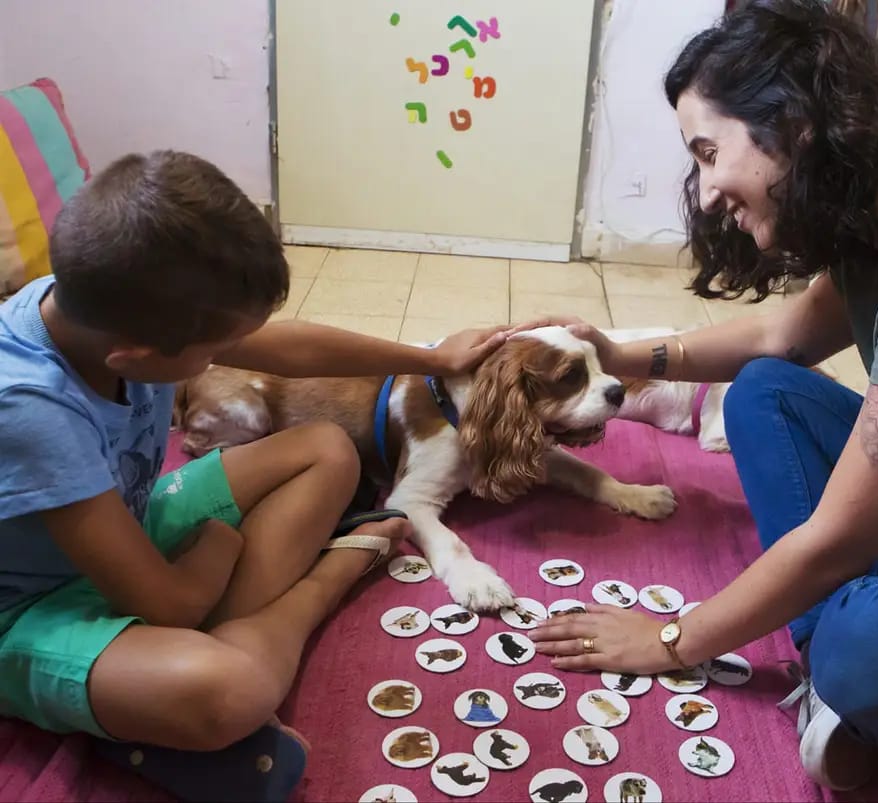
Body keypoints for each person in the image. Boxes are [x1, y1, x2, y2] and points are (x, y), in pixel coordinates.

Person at [527, 0, 878, 791]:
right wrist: (616, 352)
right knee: (764, 393)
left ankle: (851, 662)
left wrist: (672, 639)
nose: (706, 192)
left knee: (865, 640)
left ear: (793, 125)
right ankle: (860, 652)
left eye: (710, 152)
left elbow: (839, 540)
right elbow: (777, 339)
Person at [0, 150, 508, 801]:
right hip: (28, 609)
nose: (225, 361)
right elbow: (167, 605)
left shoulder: (102, 306)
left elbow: (291, 348)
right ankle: (329, 577)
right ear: (133, 357)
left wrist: (430, 358)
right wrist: (221, 545)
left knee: (327, 447)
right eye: (214, 353)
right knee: (226, 690)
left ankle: (170, 669)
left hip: (125, 525)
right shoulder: (29, 407)